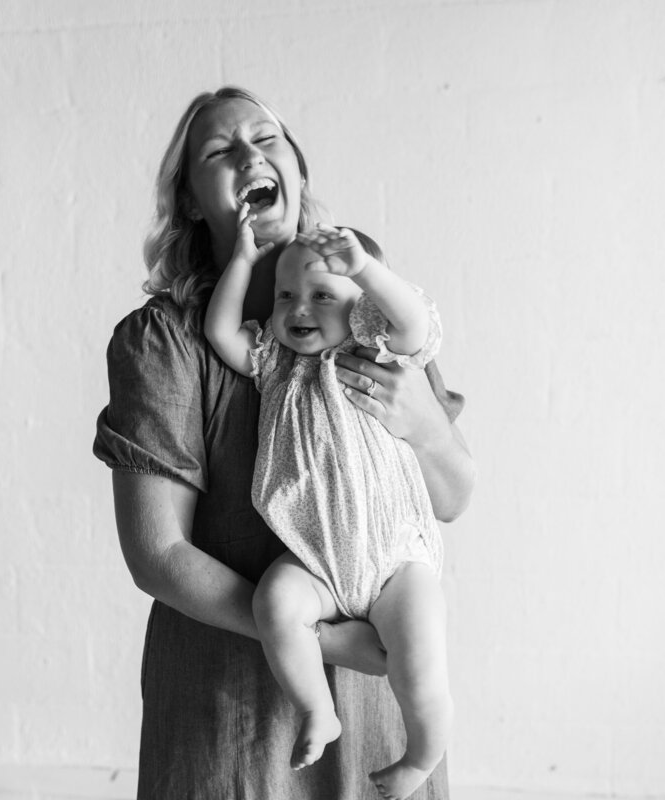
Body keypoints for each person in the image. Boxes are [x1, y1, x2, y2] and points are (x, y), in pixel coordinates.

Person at [93, 86, 475, 800]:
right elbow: (158, 554)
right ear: (191, 203)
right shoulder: (167, 341)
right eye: (218, 151)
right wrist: (330, 641)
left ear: (296, 172)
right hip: (233, 708)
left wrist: (423, 420)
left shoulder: (373, 317)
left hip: (380, 702)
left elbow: (452, 498)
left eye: (266, 139)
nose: (248, 155)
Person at [204, 214, 450, 798]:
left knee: (418, 659)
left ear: (361, 306)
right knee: (275, 601)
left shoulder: (373, 350)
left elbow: (414, 323)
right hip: (315, 557)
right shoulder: (274, 364)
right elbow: (220, 332)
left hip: (394, 557)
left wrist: (364, 270)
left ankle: (421, 754)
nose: (298, 308)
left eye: (321, 294)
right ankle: (316, 707)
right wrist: (243, 261)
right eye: (286, 295)